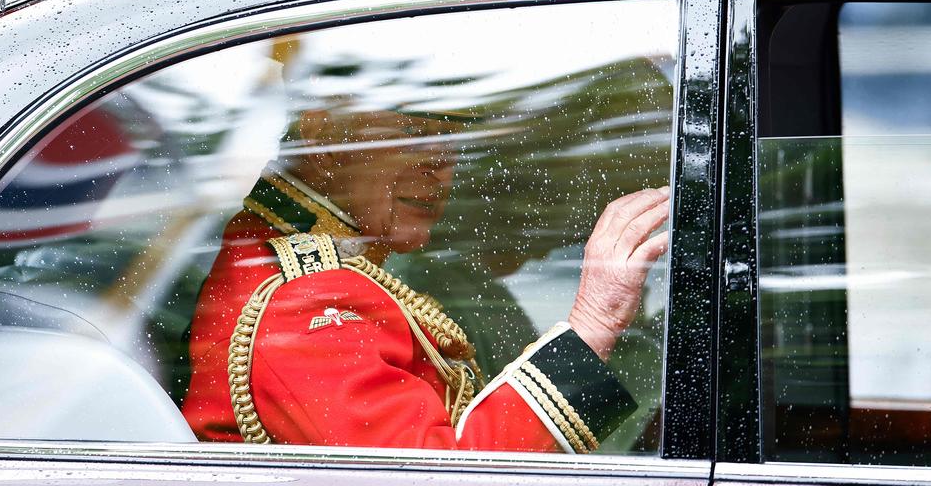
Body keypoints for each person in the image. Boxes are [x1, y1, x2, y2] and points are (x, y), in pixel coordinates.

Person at [180, 104, 670, 452]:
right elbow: (447, 476)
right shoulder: (303, 297)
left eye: (452, 140)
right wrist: (593, 324)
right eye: (414, 133)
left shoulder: (309, 265)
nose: (441, 168)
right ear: (324, 137)